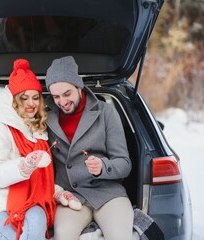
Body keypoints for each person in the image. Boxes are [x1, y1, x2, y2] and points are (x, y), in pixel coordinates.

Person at [45, 56, 134, 240]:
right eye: (56, 96)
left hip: (108, 193)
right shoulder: (47, 118)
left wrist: (103, 166)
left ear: (79, 86)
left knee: (120, 236)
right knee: (62, 235)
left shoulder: (105, 112)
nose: (62, 102)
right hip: (71, 196)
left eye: (67, 93)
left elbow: (124, 164)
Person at [0, 58, 56, 240]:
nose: (31, 103)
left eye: (35, 97)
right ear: (14, 100)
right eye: (24, 98)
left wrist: (60, 192)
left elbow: (42, 178)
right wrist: (23, 166)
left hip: (30, 201)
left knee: (38, 221)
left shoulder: (36, 130)